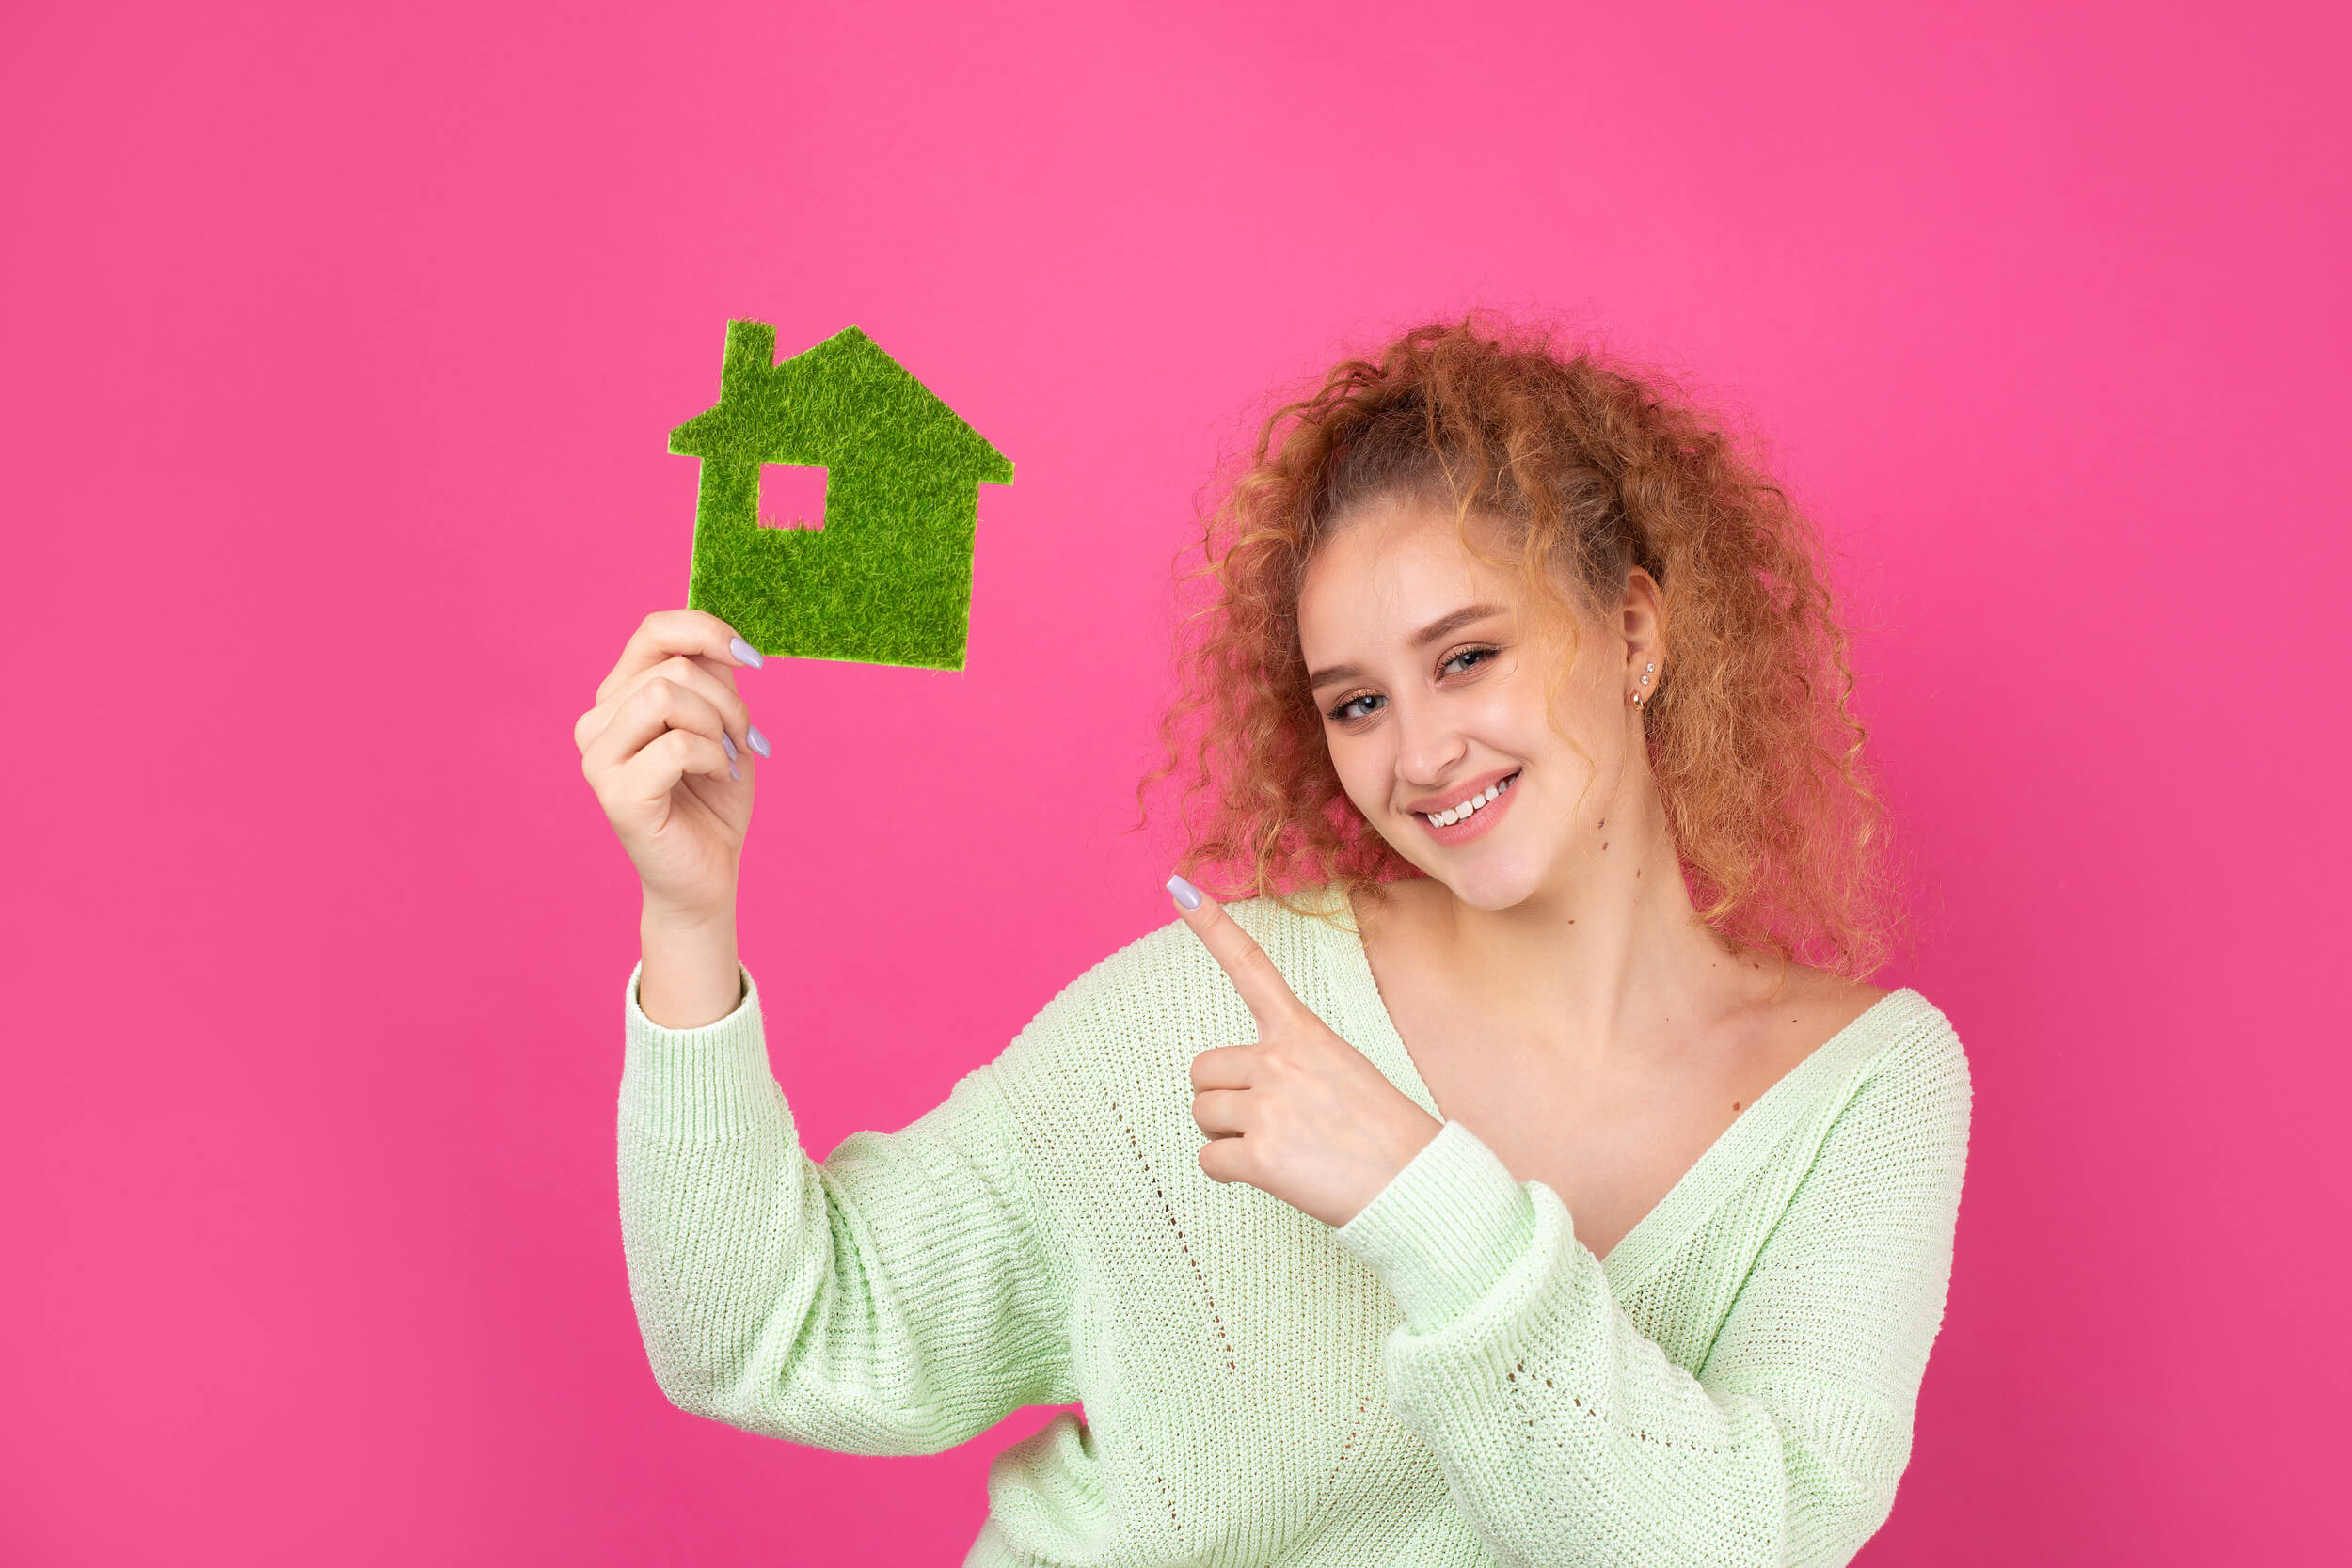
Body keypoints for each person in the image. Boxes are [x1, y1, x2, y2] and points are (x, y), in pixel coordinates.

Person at [574, 315, 1972, 1566]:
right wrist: (689, 917)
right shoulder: (1206, 1019)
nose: (1421, 753)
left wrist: (1424, 1200)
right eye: (1356, 703)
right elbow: (773, 1330)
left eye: (1467, 657)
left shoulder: (1865, 1093)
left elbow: (1743, 1547)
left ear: (1635, 633)